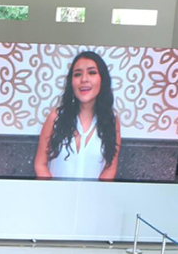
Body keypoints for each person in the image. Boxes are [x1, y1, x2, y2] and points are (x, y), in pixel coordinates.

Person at [34, 51, 121, 181]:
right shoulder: (55, 117)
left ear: (102, 80)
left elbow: (110, 168)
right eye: (77, 74)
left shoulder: (112, 122)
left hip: (93, 199)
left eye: (92, 72)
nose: (84, 79)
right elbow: (40, 164)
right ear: (71, 82)